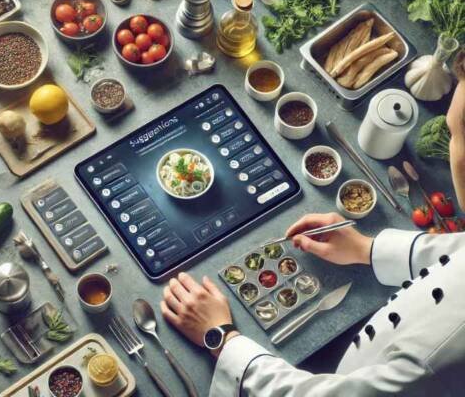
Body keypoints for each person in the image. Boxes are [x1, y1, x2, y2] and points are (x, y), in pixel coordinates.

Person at [160, 49, 465, 396]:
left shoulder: (441, 360)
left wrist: (222, 339)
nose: (452, 145)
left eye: (455, 134)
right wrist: (368, 248)